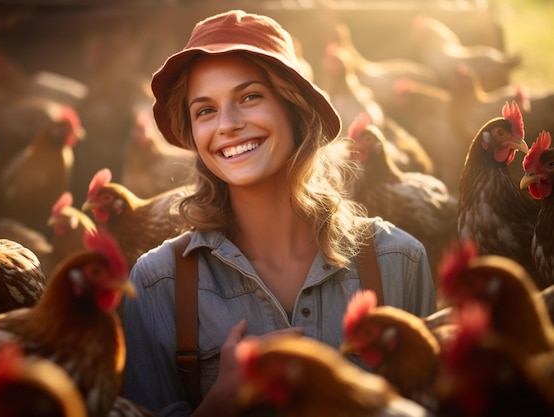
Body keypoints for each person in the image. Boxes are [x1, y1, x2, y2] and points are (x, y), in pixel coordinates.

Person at [122, 9, 437, 417]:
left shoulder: (399, 261)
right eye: (205, 110)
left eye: (249, 97)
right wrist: (220, 405)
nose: (228, 125)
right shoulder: (157, 284)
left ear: (294, 107)